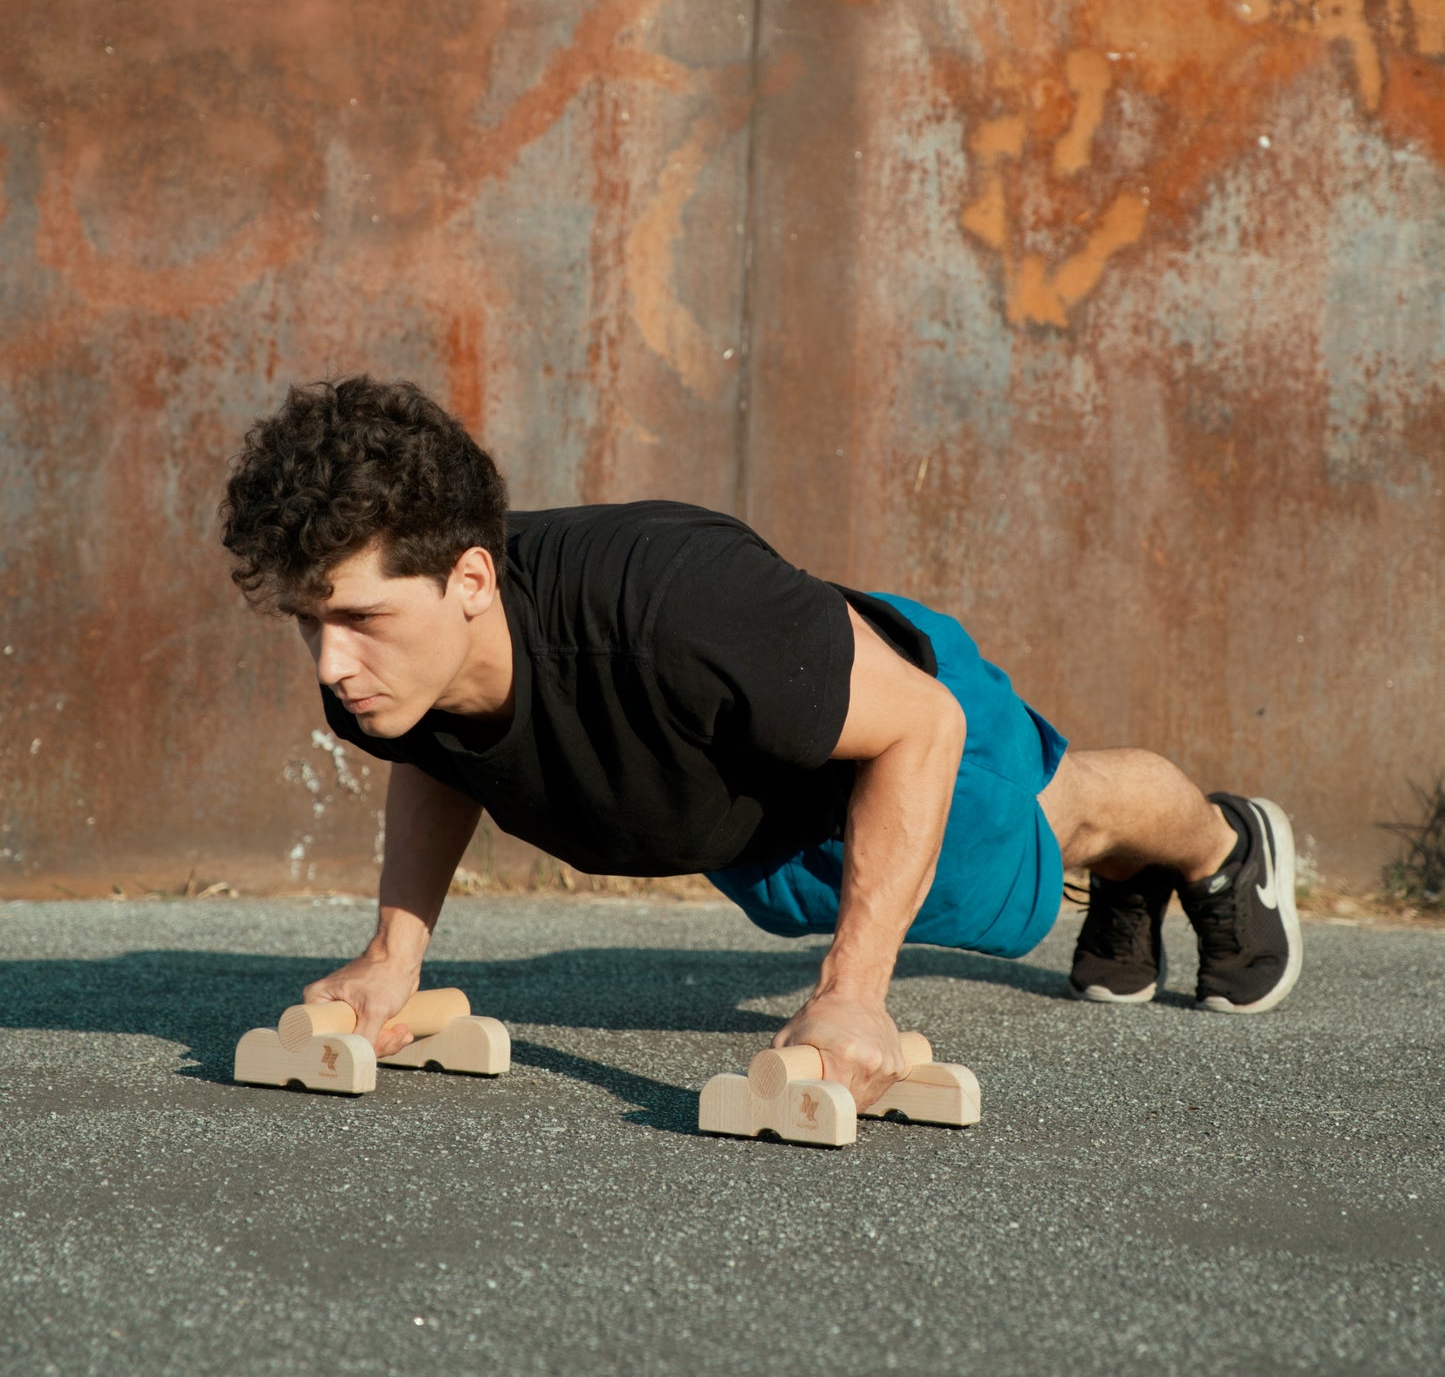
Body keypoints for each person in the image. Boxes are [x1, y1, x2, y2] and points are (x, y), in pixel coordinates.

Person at [219, 376, 1303, 1115]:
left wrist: (854, 990)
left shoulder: (670, 606)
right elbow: (444, 756)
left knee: (1063, 817)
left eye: (356, 619)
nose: (328, 663)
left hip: (886, 730)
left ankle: (1218, 844)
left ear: (468, 579)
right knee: (947, 864)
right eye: (308, 622)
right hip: (758, 816)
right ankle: (1128, 878)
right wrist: (393, 953)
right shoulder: (394, 675)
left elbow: (920, 724)